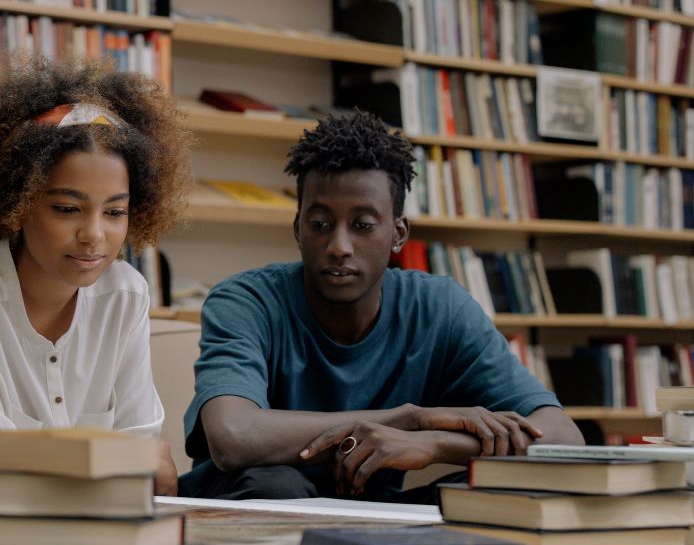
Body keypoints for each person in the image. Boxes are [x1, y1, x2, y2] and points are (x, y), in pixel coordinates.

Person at [179, 110, 584, 503]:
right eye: (320, 224)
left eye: (363, 225)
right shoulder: (247, 301)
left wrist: (433, 443)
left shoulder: (439, 308)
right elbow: (233, 437)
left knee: (500, 489)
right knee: (278, 484)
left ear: (397, 234)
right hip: (247, 505)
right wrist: (409, 418)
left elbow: (562, 439)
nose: (339, 246)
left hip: (371, 519)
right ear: (297, 228)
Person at [0, 59, 192, 495]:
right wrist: (118, 462)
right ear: (19, 203)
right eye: (67, 209)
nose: (94, 235)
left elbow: (153, 471)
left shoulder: (126, 293)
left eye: (115, 212)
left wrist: (130, 462)